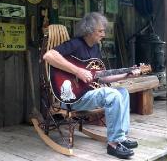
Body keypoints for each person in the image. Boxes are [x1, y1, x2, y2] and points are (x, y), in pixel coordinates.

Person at [43, 12, 139, 159]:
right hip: (73, 98)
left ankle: (121, 137)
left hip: (88, 93)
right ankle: (113, 144)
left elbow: (102, 77)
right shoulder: (75, 44)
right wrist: (77, 71)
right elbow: (48, 56)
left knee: (122, 91)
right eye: (100, 31)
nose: (104, 34)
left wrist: (127, 73)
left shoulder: (95, 49)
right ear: (89, 31)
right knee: (112, 94)